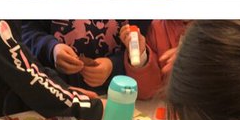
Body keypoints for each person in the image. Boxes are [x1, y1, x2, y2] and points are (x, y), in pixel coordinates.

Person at [20, 20, 161, 99]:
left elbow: (139, 46)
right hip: (52, 95)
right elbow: (27, 30)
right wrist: (52, 49)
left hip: (113, 99)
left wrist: (112, 65)